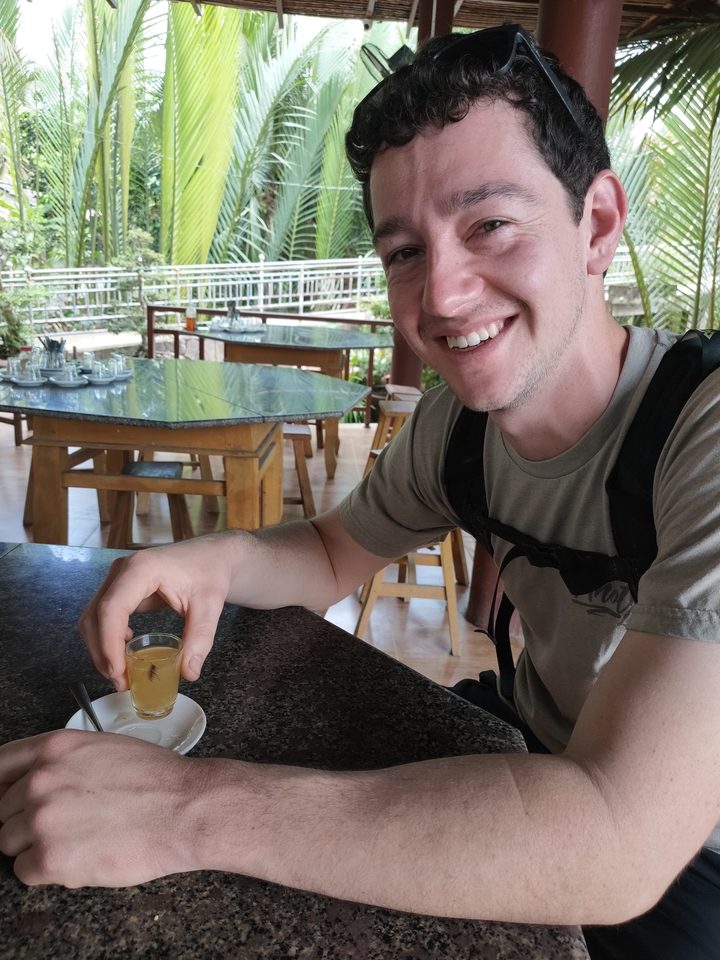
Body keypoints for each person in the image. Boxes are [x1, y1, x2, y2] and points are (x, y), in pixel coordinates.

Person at [2, 24, 720, 960]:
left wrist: (183, 809)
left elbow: (622, 837)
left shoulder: (699, 435)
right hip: (530, 751)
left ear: (597, 223)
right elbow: (335, 552)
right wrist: (203, 558)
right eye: (403, 252)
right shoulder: (455, 430)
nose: (444, 296)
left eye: (489, 224)